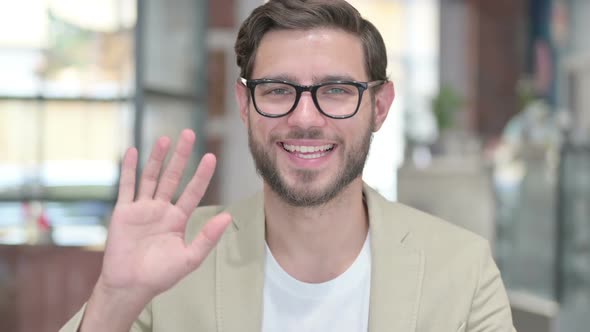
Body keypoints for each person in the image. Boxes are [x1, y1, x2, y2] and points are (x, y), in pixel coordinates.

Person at [61, 0, 515, 331]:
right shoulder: (171, 261)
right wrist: (113, 301)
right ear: (245, 104)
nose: (304, 118)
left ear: (379, 106)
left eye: (336, 90)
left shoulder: (462, 270)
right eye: (278, 90)